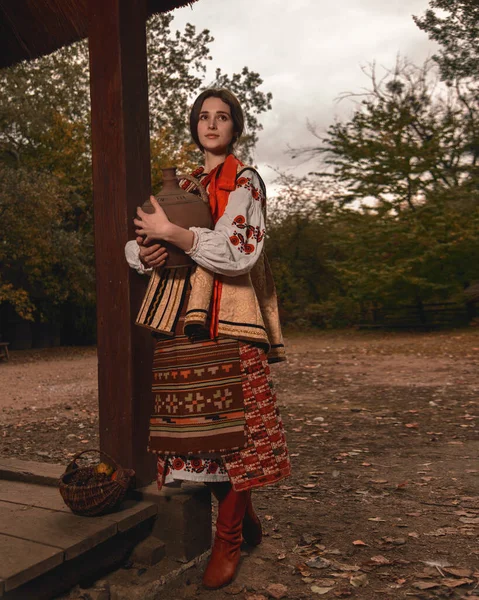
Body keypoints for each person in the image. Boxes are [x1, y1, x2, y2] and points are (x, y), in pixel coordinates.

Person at [125, 88, 290, 589]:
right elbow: (140, 243)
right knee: (199, 428)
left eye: (222, 117)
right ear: (195, 126)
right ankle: (247, 516)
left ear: (235, 127)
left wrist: (174, 234)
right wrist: (145, 252)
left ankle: (230, 537)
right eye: (203, 117)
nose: (212, 124)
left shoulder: (246, 182)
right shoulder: (187, 186)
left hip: (233, 318)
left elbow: (237, 253)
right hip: (185, 316)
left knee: (241, 432)